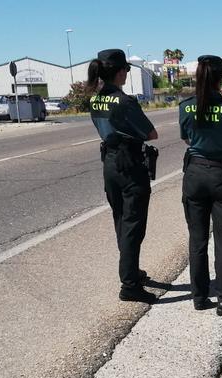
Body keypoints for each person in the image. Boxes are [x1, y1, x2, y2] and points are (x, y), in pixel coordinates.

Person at [179, 55, 222, 316]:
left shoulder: (185, 106)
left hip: (195, 174)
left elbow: (187, 138)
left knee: (197, 238)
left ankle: (199, 297)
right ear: (220, 77)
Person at [88, 49, 159, 303]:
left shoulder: (95, 99)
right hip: (129, 164)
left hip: (109, 163)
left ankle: (132, 271)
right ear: (119, 72)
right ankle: (129, 285)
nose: (127, 74)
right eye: (127, 70)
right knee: (133, 226)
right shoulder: (124, 101)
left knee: (121, 221)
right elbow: (151, 134)